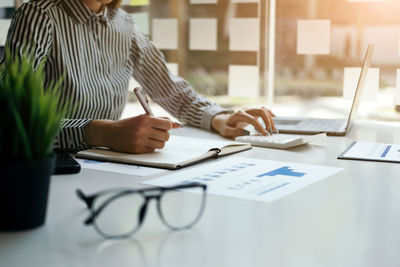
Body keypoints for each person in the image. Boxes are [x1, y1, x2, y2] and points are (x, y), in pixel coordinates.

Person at [2, 0, 276, 154]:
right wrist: (98, 132)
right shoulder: (39, 15)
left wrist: (219, 117)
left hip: (108, 166)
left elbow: (170, 89)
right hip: (44, 170)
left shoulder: (123, 23)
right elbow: (12, 117)